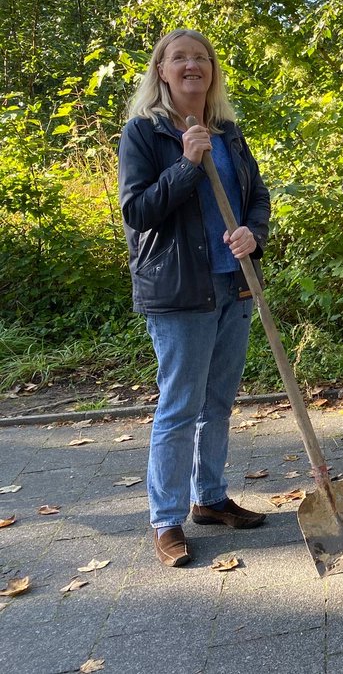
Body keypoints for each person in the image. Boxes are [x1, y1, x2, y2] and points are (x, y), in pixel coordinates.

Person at [118, 29, 271, 568]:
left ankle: (209, 498)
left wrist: (254, 232)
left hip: (235, 283)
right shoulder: (144, 134)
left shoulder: (228, 132)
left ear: (212, 70)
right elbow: (137, 213)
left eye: (200, 58)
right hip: (181, 292)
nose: (191, 66)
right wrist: (185, 165)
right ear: (161, 70)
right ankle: (166, 519)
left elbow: (257, 199)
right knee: (179, 408)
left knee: (219, 403)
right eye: (178, 58)